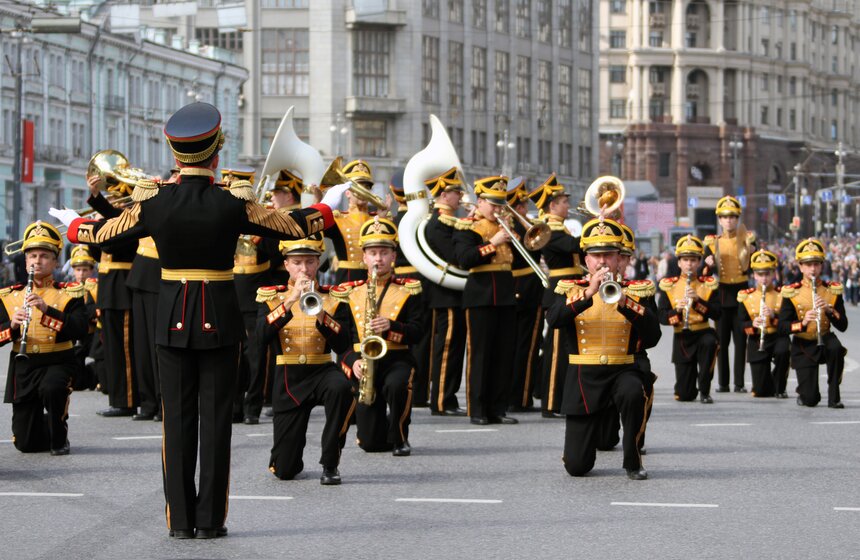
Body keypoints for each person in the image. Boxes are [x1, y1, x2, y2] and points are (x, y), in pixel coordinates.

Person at [51, 102, 350, 539]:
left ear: (175, 155)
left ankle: (179, 522)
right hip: (220, 318)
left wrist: (74, 223)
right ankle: (210, 521)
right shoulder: (233, 201)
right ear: (216, 154)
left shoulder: (154, 201)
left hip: (171, 317)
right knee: (215, 423)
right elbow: (289, 226)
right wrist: (325, 208)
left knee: (176, 424)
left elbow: (103, 235)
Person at [546, 217, 659, 480]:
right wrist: (588, 294)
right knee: (577, 466)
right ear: (586, 260)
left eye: (608, 255)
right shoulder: (569, 289)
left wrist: (625, 303)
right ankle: (600, 427)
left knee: (633, 391)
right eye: (596, 256)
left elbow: (653, 336)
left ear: (619, 258)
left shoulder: (638, 292)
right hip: (584, 376)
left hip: (623, 370)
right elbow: (554, 319)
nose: (602, 261)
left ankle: (633, 461)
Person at [256, 234, 355, 485]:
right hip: (288, 376)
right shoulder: (270, 297)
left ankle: (330, 462)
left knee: (341, 388)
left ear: (318, 263)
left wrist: (321, 313)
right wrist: (290, 300)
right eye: (297, 262)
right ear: (286, 265)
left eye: (310, 262)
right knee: (284, 470)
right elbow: (260, 336)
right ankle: (290, 458)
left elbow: (343, 343)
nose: (304, 269)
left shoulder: (335, 297)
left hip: (322, 369)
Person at [332, 217, 423, 456]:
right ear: (364, 257)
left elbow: (418, 332)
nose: (378, 259)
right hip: (363, 362)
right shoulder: (349, 292)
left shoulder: (409, 289)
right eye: (373, 253)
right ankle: (380, 431)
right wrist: (352, 362)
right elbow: (340, 338)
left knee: (396, 385)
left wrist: (391, 327)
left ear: (393, 256)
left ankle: (400, 437)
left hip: (397, 359)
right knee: (370, 444)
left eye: (384, 253)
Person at [1, 222, 89, 455]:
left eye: (44, 256)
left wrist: (47, 310)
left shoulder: (69, 293)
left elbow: (80, 330)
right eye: (32, 256)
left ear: (55, 262)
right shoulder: (9, 296)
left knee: (52, 388)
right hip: (24, 366)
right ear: (25, 261)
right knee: (25, 444)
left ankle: (59, 434)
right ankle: (47, 427)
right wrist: (12, 326)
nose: (37, 261)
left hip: (58, 360)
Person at [454, 177, 518, 426]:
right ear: (480, 202)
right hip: (480, 294)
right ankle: (478, 409)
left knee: (503, 354)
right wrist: (493, 243)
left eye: (501, 205)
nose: (498, 209)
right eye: (493, 204)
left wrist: (516, 236)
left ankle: (498, 408)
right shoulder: (468, 227)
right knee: (480, 355)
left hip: (506, 293)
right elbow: (465, 259)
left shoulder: (506, 226)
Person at [528, 174, 583, 418]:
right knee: (557, 351)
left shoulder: (559, 227)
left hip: (569, 287)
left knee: (564, 348)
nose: (568, 206)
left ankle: (559, 400)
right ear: (552, 205)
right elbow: (574, 246)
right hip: (560, 289)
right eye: (564, 202)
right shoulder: (549, 230)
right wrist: (599, 224)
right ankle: (551, 402)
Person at [84, 178, 140, 418]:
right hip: (108, 290)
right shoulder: (113, 223)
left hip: (122, 289)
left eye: (117, 200)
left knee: (124, 349)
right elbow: (98, 253)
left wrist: (99, 206)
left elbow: (113, 242)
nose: (114, 205)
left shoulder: (131, 224)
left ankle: (127, 400)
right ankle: (118, 398)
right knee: (113, 349)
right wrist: (94, 227)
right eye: (112, 200)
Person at [778, 238, 848, 408]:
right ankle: (804, 392)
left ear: (821, 266)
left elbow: (843, 326)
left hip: (824, 336)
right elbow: (782, 327)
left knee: (836, 348)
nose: (813, 269)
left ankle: (834, 396)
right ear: (801, 266)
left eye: (816, 264)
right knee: (810, 400)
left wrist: (829, 310)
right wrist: (802, 322)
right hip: (803, 343)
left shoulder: (832, 290)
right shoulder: (791, 293)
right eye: (808, 264)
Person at [422, 167, 468, 416]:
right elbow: (455, 257)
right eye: (455, 192)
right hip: (445, 294)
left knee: (456, 349)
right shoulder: (439, 224)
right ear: (443, 195)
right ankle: (440, 400)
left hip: (455, 293)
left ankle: (448, 398)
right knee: (448, 348)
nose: (460, 196)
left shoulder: (450, 222)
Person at [658, 235, 721, 403]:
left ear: (699, 262)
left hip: (702, 332)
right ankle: (689, 386)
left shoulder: (708, 284)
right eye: (685, 260)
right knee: (684, 395)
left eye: (693, 260)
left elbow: (717, 313)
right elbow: (662, 317)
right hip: (682, 335)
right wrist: (677, 311)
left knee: (710, 342)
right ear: (679, 262)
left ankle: (705, 390)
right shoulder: (669, 286)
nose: (689, 264)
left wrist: (698, 301)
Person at [703, 196, 756, 393]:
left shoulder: (748, 240)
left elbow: (759, 269)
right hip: (722, 295)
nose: (729, 221)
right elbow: (703, 275)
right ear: (719, 220)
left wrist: (753, 253)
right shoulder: (712, 243)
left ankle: (739, 383)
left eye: (732, 217)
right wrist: (708, 265)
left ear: (737, 219)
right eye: (725, 217)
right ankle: (723, 383)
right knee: (721, 342)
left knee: (741, 342)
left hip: (742, 295)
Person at [389, 170, 432, 409]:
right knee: (421, 337)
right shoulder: (422, 221)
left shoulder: (390, 222)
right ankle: (419, 392)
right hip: (420, 279)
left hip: (396, 281)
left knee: (399, 336)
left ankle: (400, 385)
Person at [506, 182, 544, 412]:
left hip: (512, 289)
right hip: (529, 290)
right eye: (523, 206)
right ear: (518, 207)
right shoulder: (520, 227)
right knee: (527, 346)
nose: (525, 210)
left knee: (511, 345)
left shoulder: (507, 225)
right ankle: (521, 398)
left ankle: (510, 395)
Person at [737, 250, 791, 398]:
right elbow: (740, 325)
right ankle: (768, 383)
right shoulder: (746, 296)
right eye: (760, 274)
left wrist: (773, 316)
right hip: (757, 338)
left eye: (767, 274)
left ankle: (780, 386)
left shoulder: (783, 294)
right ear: (754, 275)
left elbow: (788, 323)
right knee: (760, 391)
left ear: (773, 274)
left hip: (777, 336)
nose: (764, 278)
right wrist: (752, 323)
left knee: (783, 351)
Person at [327, 160, 374, 284]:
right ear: (347, 193)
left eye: (366, 187)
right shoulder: (338, 219)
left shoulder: (378, 219)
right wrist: (318, 203)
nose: (363, 191)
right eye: (357, 187)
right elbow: (315, 228)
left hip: (373, 277)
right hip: (347, 279)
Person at [68, 245, 100, 391]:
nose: (81, 274)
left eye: (85, 270)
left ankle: (97, 375)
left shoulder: (96, 287)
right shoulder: (67, 290)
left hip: (94, 333)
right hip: (77, 335)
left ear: (91, 270)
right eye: (78, 270)